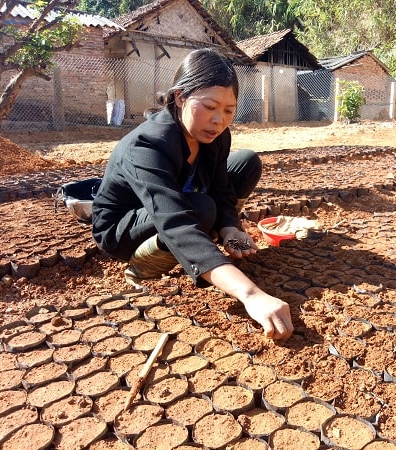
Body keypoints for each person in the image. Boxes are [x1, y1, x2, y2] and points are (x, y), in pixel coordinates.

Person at [92, 48, 293, 340]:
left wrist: (229, 229)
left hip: (183, 201)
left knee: (246, 162)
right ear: (180, 97)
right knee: (200, 209)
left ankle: (212, 233)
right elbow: (176, 221)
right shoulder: (147, 146)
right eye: (209, 107)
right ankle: (143, 267)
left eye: (228, 110)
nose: (218, 120)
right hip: (123, 229)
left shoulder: (216, 136)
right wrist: (250, 294)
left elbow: (223, 188)